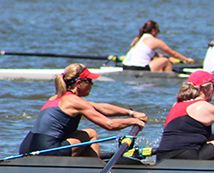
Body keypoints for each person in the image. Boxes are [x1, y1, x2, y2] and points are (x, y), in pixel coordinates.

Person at [18, 63, 148, 157]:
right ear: (79, 83)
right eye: (89, 81)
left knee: (79, 138)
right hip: (46, 149)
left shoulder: (58, 98)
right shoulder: (75, 102)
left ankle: (86, 162)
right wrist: (133, 122)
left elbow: (101, 107)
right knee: (90, 133)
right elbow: (109, 125)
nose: (92, 84)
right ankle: (93, 168)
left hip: (26, 147)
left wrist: (131, 113)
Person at [122, 20, 194, 72]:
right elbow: (173, 53)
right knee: (165, 61)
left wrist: (168, 58)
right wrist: (186, 60)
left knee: (159, 59)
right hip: (138, 69)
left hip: (125, 66)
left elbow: (151, 54)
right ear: (154, 31)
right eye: (158, 31)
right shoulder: (154, 41)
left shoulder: (137, 39)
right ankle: (168, 81)